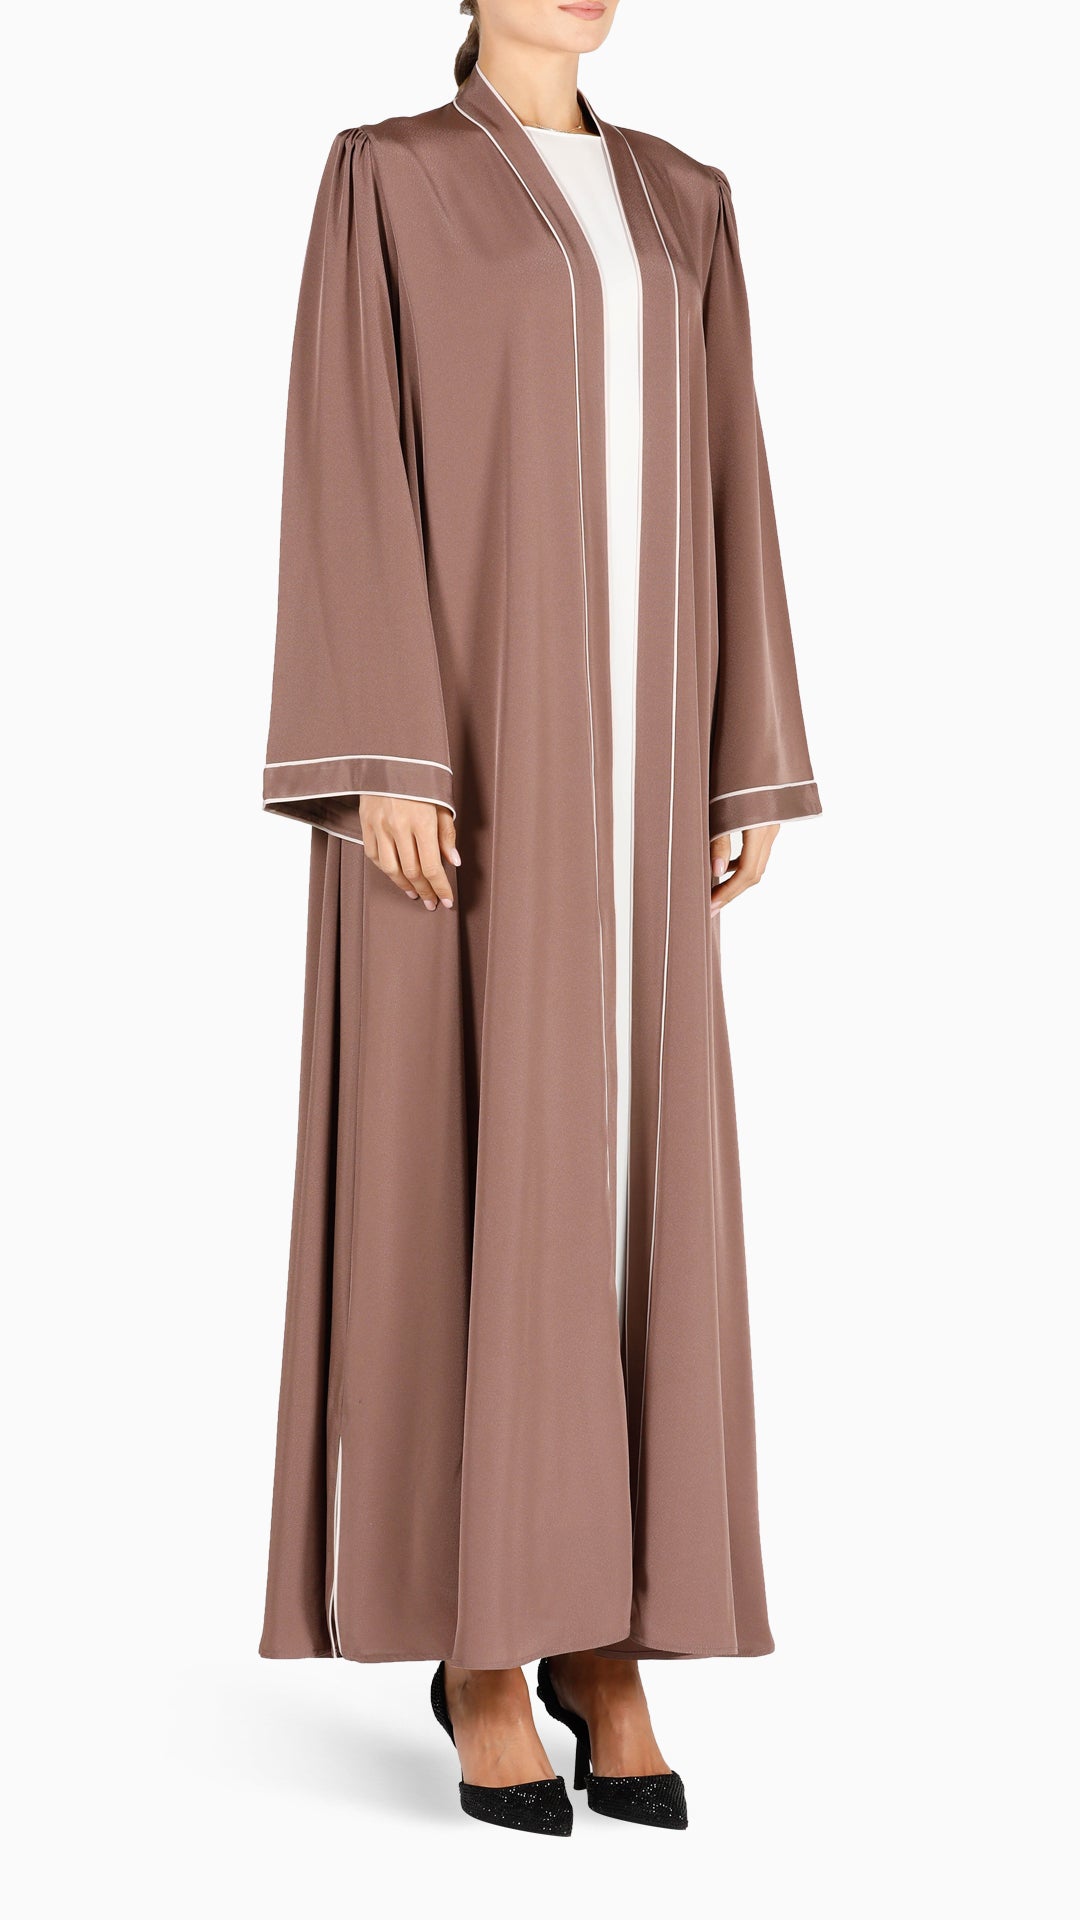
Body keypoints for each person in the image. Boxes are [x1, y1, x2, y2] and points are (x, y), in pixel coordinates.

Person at [259, 0, 821, 1836]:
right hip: (475, 769)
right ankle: (481, 1640)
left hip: (646, 777)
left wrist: (743, 756)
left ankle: (607, 1630)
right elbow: (348, 464)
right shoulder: (392, 180)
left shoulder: (685, 198)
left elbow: (730, 473)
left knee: (632, 1189)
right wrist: (383, 750)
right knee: (469, 1174)